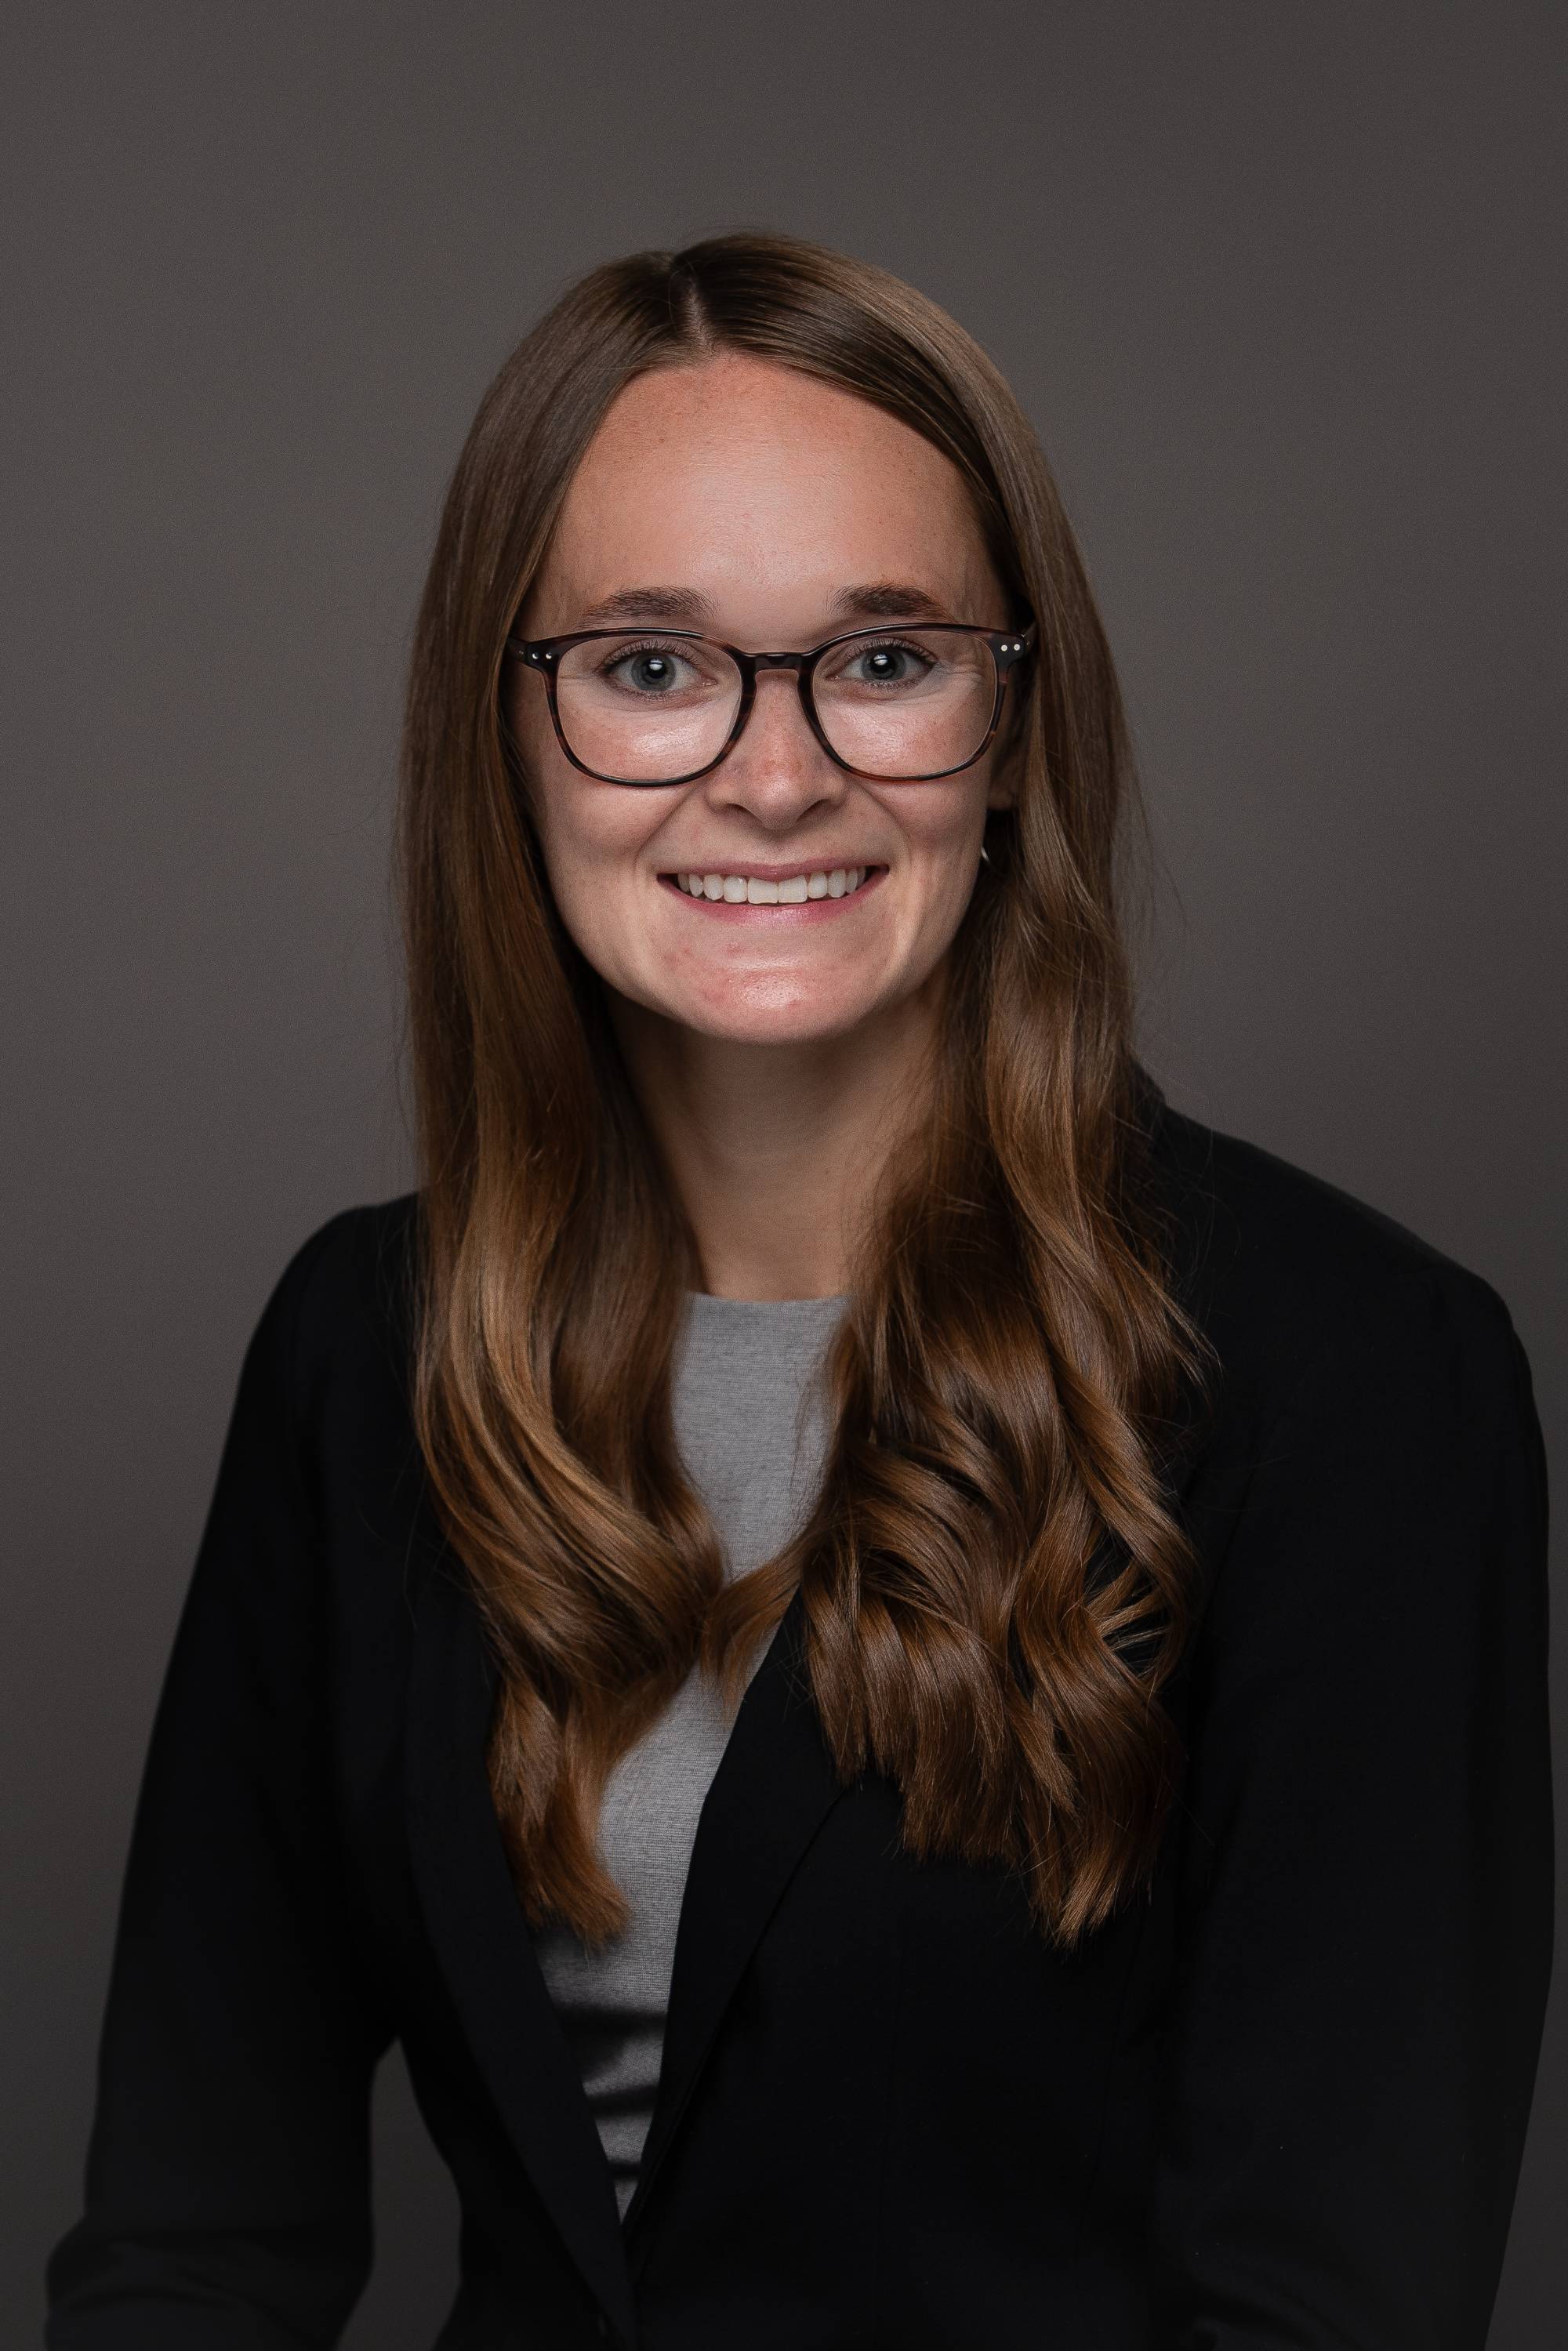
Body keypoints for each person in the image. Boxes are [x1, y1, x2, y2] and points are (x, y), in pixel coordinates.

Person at [44, 232, 1552, 2351]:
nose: (773, 771)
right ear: (515, 736)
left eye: (885, 656)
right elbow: (195, 2248)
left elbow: (1327, 2306)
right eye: (650, 666)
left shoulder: (1361, 1379)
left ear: (1016, 727)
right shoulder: (359, 1353)